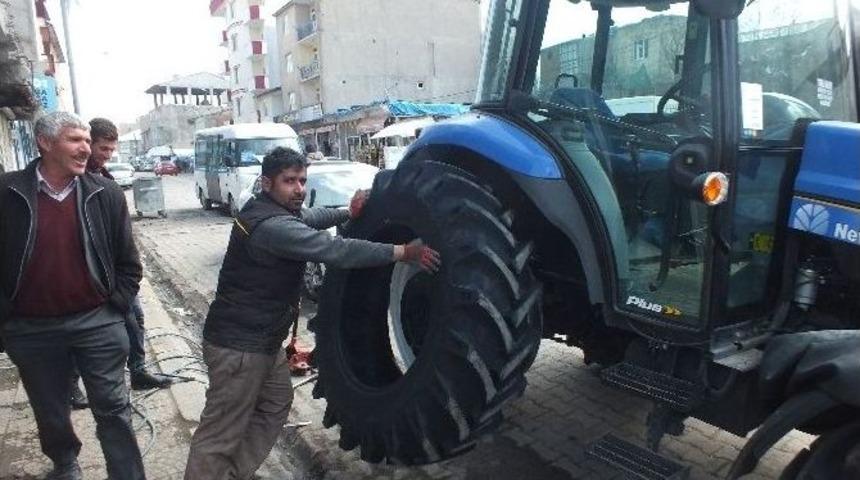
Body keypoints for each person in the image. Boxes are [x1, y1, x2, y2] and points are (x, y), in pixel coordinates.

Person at [183, 147, 440, 480]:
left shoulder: (266, 211)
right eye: (289, 181)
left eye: (302, 180)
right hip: (240, 348)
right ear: (266, 183)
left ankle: (229, 475)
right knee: (221, 431)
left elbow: (309, 217)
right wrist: (403, 251)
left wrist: (345, 212)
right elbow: (335, 250)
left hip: (259, 342)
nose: (299, 189)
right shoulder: (272, 227)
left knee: (276, 402)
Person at [0, 111, 146, 480]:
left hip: (96, 321)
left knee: (113, 407)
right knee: (49, 408)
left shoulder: (105, 193)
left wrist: (116, 307)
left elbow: (129, 262)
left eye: (86, 140)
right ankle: (65, 463)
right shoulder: (7, 193)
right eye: (75, 140)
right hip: (30, 327)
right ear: (45, 143)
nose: (86, 148)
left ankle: (127, 474)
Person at [86, 118, 173, 391]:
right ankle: (72, 387)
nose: (107, 155)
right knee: (88, 334)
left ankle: (138, 372)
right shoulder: (77, 180)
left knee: (136, 318)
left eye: (112, 150)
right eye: (103, 149)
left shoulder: (104, 176)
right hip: (95, 273)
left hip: (118, 269)